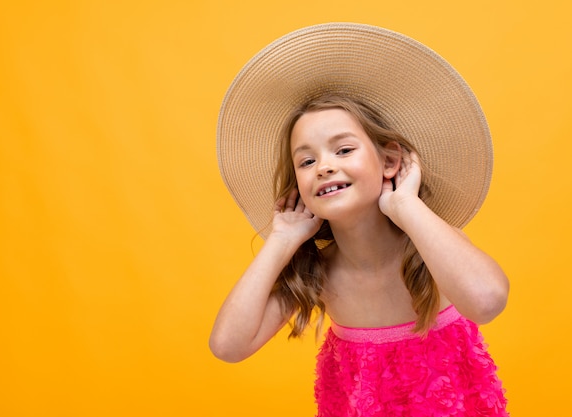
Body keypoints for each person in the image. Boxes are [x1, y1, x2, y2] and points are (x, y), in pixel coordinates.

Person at [210, 23, 509, 416]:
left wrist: (406, 205)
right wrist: (281, 241)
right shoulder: (317, 273)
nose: (324, 167)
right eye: (307, 160)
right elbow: (228, 346)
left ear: (389, 161)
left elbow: (487, 300)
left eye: (344, 149)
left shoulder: (430, 248)